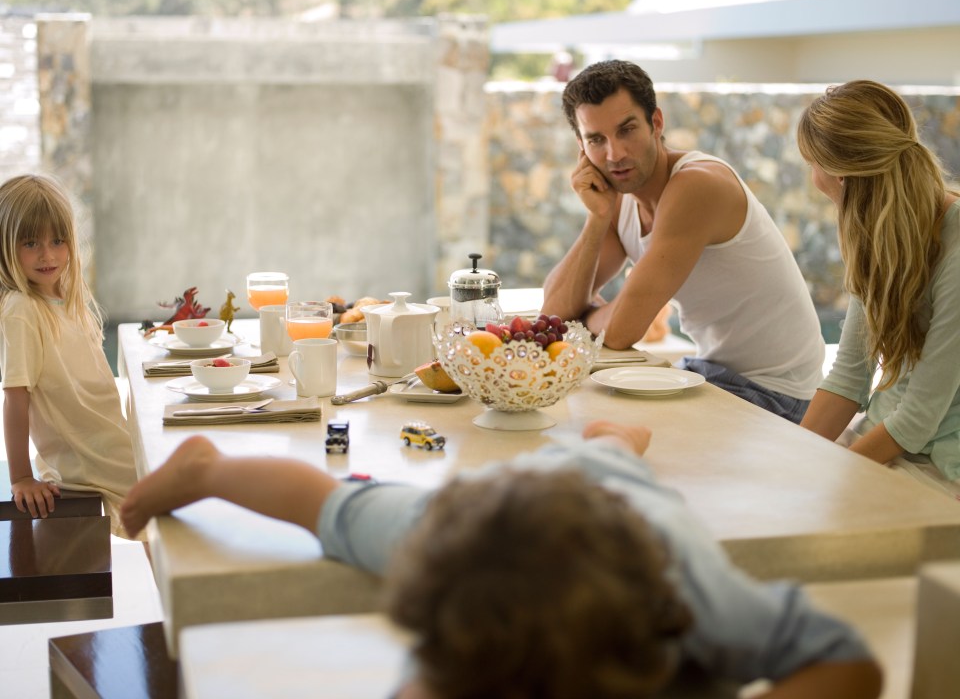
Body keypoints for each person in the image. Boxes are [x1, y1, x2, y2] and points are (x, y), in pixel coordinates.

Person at [120, 421, 882, 699]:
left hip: (616, 498)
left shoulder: (695, 600)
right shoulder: (449, 556)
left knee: (610, 453)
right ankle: (205, 468)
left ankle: (614, 438)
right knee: (326, 503)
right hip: (481, 509)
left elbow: (848, 660)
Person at [541, 60, 824, 423]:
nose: (615, 155)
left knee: (606, 427)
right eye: (597, 140)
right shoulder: (618, 199)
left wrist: (587, 317)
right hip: (709, 370)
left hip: (775, 393)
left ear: (656, 123)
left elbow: (622, 331)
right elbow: (555, 311)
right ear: (581, 146)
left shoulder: (696, 185)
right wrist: (597, 218)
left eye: (626, 130)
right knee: (576, 411)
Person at [797, 80, 960, 486]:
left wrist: (827, 481)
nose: (812, 178)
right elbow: (849, 379)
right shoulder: (880, 239)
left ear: (844, 176)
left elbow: (919, 418)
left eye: (812, 163)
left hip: (940, 467)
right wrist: (790, 462)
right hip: (885, 441)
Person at [0, 174, 140, 538]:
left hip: (109, 449)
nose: (48, 255)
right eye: (31, 243)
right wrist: (20, 477)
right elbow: (16, 398)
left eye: (58, 241)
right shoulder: (21, 311)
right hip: (88, 466)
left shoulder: (63, 296)